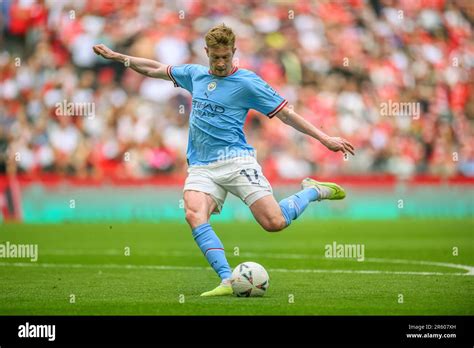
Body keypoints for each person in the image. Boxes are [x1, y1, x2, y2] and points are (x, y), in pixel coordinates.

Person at [93, 23, 355, 296]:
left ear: (234, 52)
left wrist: (325, 139)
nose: (220, 62)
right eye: (215, 57)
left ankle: (312, 191)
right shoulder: (195, 75)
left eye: (225, 57)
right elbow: (155, 69)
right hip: (201, 166)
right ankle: (227, 279)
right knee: (194, 213)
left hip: (237, 161)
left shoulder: (247, 82)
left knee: (274, 223)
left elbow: (286, 113)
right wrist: (119, 57)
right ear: (206, 52)